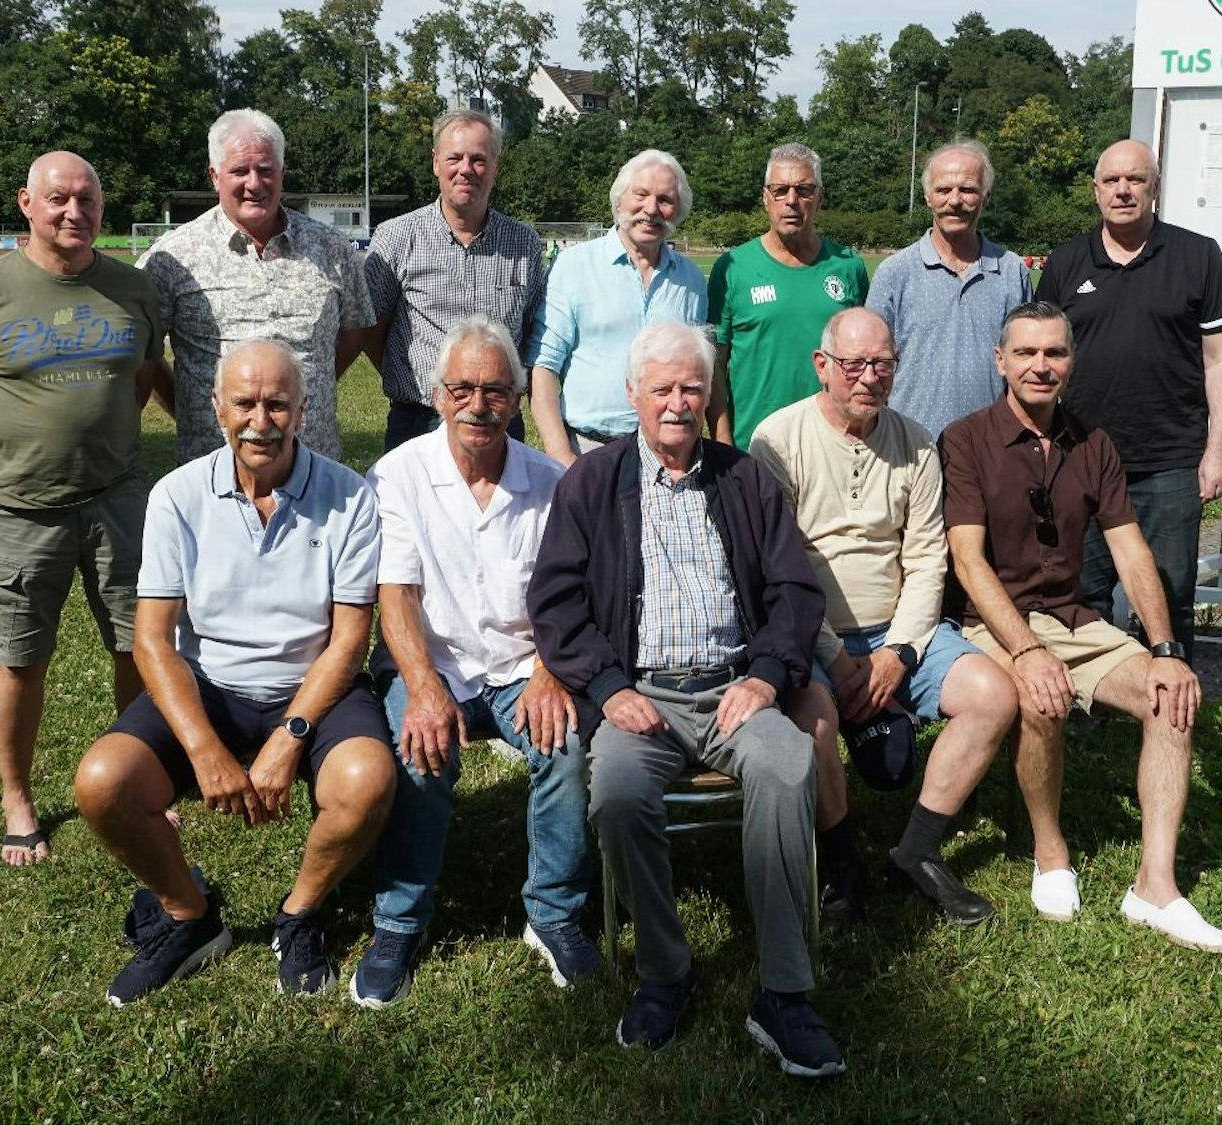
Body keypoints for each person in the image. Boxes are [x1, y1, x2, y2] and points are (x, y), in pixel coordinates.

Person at [527, 321, 843, 1078]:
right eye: (662, 388)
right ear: (632, 394)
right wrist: (607, 686)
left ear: (709, 396)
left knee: (788, 764)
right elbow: (556, 601)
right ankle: (665, 971)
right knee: (620, 790)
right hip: (641, 697)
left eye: (691, 388)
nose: (677, 402)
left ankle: (784, 991)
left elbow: (796, 589)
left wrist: (766, 674)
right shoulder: (592, 482)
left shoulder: (744, 479)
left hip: (736, 688)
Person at [73, 339, 397, 1006]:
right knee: (102, 783)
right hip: (209, 686)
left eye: (277, 403)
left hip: (314, 685)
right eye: (244, 403)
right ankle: (190, 915)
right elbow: (154, 641)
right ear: (216, 409)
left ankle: (301, 912)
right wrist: (204, 749)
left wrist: (287, 739)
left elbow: (348, 640)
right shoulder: (177, 496)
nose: (260, 420)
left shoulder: (350, 495)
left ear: (303, 410)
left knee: (367, 782)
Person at [938, 301, 1222, 954]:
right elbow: (966, 559)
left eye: (1054, 353)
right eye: (1025, 353)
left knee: (1170, 699)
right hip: (996, 619)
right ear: (1000, 361)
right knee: (1039, 696)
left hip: (1075, 618)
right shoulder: (965, 439)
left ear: (1072, 363)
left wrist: (1164, 648)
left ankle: (1155, 885)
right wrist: (1026, 649)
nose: (1040, 366)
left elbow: (1131, 551)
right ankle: (1050, 849)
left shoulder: (1094, 443)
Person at [0, 150, 163, 867]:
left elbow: (142, 380)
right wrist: (8, 444)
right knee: (22, 658)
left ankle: (139, 775)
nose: (74, 211)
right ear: (26, 202)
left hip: (119, 500)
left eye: (86, 198)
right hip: (19, 510)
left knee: (138, 647)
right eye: (58, 198)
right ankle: (17, 798)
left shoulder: (133, 290)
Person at [749, 308, 1019, 932]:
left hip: (895, 629)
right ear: (823, 367)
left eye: (883, 364)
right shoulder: (775, 441)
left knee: (992, 694)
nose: (869, 377)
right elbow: (779, 570)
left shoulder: (918, 444)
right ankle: (841, 865)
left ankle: (917, 850)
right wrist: (837, 660)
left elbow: (928, 559)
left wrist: (898, 652)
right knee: (813, 721)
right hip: (806, 630)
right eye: (854, 364)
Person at [358, 316, 598, 1007]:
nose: (478, 404)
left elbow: (570, 594)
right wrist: (424, 689)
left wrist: (553, 673)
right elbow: (395, 595)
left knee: (566, 744)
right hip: (432, 662)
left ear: (518, 400)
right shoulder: (398, 475)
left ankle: (552, 912)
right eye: (462, 388)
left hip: (525, 663)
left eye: (496, 390)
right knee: (417, 748)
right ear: (436, 396)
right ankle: (399, 921)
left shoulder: (553, 481)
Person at [1033, 139, 1222, 658]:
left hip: (1169, 460)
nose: (1122, 190)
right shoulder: (1066, 261)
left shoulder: (1199, 256)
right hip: (1080, 458)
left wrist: (1219, 448)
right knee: (1081, 592)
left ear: (1154, 187)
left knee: (1169, 595)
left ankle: (1171, 700)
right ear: (1095, 190)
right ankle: (1094, 707)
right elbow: (1038, 360)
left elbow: (1220, 361)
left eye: (1135, 180)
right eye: (1111, 181)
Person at [140, 108, 374, 465]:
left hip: (314, 466)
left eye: (265, 170)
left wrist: (307, 383)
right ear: (214, 176)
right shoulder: (172, 257)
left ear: (282, 173)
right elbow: (145, 351)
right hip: (214, 469)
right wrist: (193, 409)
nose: (254, 183)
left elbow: (354, 332)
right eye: (239, 171)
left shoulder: (332, 249)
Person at [362, 109, 546, 452]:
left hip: (498, 421)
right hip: (418, 421)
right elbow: (371, 331)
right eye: (455, 158)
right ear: (435, 163)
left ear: (495, 166)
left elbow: (532, 334)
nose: (466, 169)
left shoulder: (525, 245)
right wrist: (416, 376)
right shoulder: (396, 238)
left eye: (478, 159)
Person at [527, 149, 707, 466]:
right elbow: (542, 368)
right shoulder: (574, 267)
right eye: (641, 195)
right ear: (619, 200)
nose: (651, 209)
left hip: (669, 455)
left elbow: (701, 374)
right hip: (588, 450)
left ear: (678, 210)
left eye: (665, 199)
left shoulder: (691, 280)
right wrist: (561, 456)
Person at [706, 142, 870, 448]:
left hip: (833, 444)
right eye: (780, 190)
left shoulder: (848, 267)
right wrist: (722, 439)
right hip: (754, 444)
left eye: (804, 189)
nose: (792, 200)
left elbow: (866, 360)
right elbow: (715, 364)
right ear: (765, 198)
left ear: (820, 197)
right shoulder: (732, 268)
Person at [866, 141, 1032, 438]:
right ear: (928, 197)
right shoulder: (894, 273)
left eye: (967, 189)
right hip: (910, 447)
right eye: (943, 190)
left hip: (992, 448)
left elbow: (1026, 365)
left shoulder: (1011, 271)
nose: (954, 200)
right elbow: (871, 364)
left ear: (986, 197)